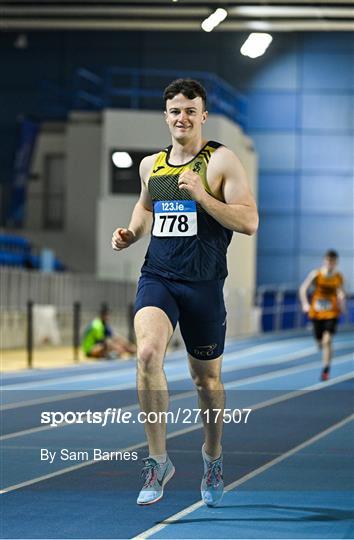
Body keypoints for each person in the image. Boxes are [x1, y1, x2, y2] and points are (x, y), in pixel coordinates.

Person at [112, 78, 258, 506]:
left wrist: (201, 196)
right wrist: (131, 233)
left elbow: (249, 222)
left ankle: (212, 456)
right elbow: (146, 206)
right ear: (166, 115)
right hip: (159, 276)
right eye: (175, 111)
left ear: (203, 115)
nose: (183, 118)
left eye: (191, 111)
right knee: (146, 354)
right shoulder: (153, 166)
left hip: (204, 284)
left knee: (206, 380)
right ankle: (158, 460)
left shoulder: (220, 162)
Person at [299, 250, 345, 381]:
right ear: (324, 261)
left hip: (332, 312)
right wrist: (305, 304)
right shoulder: (316, 274)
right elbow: (303, 289)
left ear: (336, 263)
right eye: (328, 261)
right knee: (320, 341)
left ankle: (326, 369)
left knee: (327, 340)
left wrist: (341, 299)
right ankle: (320, 344)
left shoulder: (338, 277)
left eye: (333, 262)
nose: (330, 264)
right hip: (317, 312)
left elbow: (341, 291)